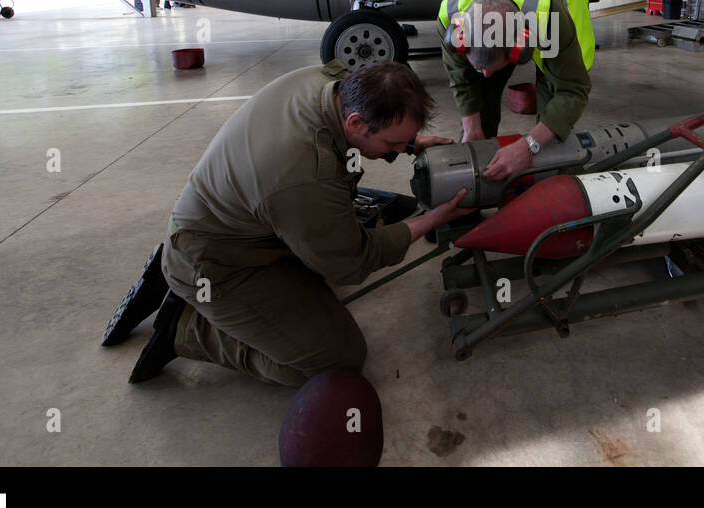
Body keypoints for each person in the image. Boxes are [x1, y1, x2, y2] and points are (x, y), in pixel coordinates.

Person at [101, 60, 470, 386]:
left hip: (238, 224)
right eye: (392, 143)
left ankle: (178, 275)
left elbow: (358, 145)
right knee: (336, 359)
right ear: (356, 121)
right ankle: (186, 329)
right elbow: (351, 262)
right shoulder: (304, 172)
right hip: (219, 263)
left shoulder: (331, 80)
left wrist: (408, 143)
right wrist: (429, 220)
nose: (397, 150)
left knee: (324, 260)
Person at [438, 0, 595, 182]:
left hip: (557, 16)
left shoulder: (550, 20)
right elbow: (462, 79)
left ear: (519, 50)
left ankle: (548, 184)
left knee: (552, 115)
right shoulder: (451, 16)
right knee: (479, 100)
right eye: (479, 66)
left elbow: (572, 91)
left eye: (492, 68)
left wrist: (529, 146)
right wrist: (472, 126)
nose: (487, 75)